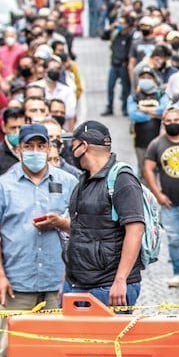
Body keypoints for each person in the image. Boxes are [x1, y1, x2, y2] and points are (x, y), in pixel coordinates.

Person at [0, 123, 77, 357]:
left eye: (41, 146)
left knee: (53, 348)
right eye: (29, 147)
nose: (36, 152)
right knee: (7, 350)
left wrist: (61, 224)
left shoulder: (68, 181)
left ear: (50, 148)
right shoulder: (3, 185)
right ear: (19, 149)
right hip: (17, 282)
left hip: (56, 281)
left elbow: (83, 227)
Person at [62, 121, 145, 309]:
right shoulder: (84, 181)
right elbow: (78, 232)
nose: (70, 150)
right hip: (78, 284)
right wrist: (66, 281)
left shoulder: (122, 180)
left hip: (107, 286)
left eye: (73, 144)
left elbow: (135, 230)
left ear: (84, 146)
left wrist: (120, 280)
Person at [144, 107, 179, 288]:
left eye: (176, 120)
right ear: (163, 124)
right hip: (169, 203)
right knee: (173, 239)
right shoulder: (156, 144)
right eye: (168, 121)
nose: (173, 123)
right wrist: (158, 194)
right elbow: (148, 169)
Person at [127, 64, 169, 168]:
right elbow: (133, 115)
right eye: (143, 77)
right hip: (141, 141)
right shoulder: (134, 97)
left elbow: (164, 109)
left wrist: (145, 110)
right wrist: (152, 116)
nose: (146, 80)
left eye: (149, 77)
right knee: (143, 169)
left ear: (154, 79)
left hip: (160, 139)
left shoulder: (161, 94)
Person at [101, 16, 133, 117]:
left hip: (123, 65)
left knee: (125, 88)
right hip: (114, 64)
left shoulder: (129, 37)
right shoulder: (115, 34)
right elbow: (103, 37)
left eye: (122, 23)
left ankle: (125, 108)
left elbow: (130, 52)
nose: (119, 25)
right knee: (110, 87)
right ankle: (109, 107)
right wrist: (110, 29)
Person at [0, 106, 26, 178]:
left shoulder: (32, 150)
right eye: (13, 128)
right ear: (4, 127)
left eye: (20, 127)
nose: (17, 132)